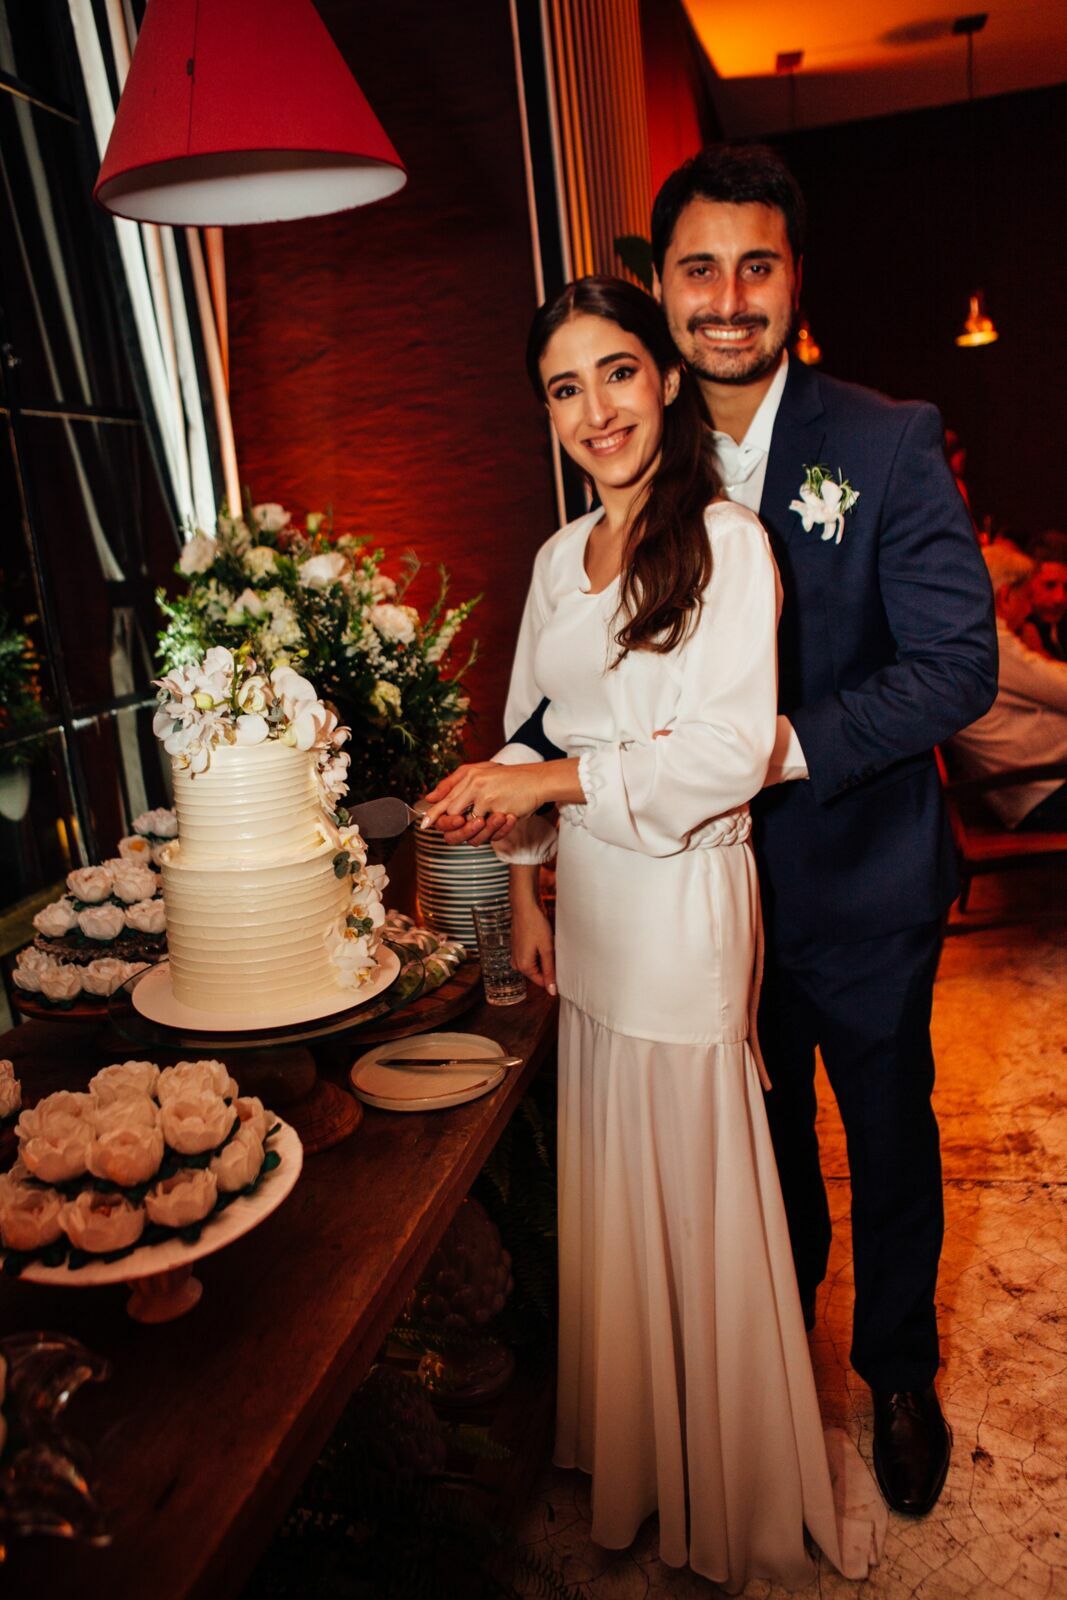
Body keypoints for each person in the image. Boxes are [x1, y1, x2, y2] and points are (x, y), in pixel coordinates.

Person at [433, 146, 999, 1518]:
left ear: (791, 280)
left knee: (883, 1130)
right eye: (697, 269)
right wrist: (526, 853)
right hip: (686, 904)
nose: (726, 296)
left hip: (851, 866)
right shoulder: (623, 483)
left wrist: (761, 759)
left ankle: (897, 1373)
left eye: (755, 266)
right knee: (758, 1152)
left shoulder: (880, 438)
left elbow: (952, 666)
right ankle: (767, 1374)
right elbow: (566, 705)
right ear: (661, 299)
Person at [422, 275, 885, 1590]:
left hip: (684, 907)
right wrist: (522, 885)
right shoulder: (549, 562)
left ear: (665, 381)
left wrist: (548, 791)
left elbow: (727, 750)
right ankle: (639, 1455)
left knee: (691, 1169)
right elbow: (526, 730)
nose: (593, 409)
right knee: (613, 1168)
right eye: (563, 388)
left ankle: (725, 1481)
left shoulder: (729, 542)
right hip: (593, 915)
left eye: (615, 373)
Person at [950, 541, 1067, 830]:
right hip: (1042, 794)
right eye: (1027, 596)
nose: (1030, 609)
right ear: (1005, 597)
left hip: (1038, 788)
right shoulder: (990, 644)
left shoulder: (972, 641)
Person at [1019, 531, 1067, 661]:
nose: (1060, 598)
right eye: (1049, 585)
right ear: (1028, 583)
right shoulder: (1014, 632)